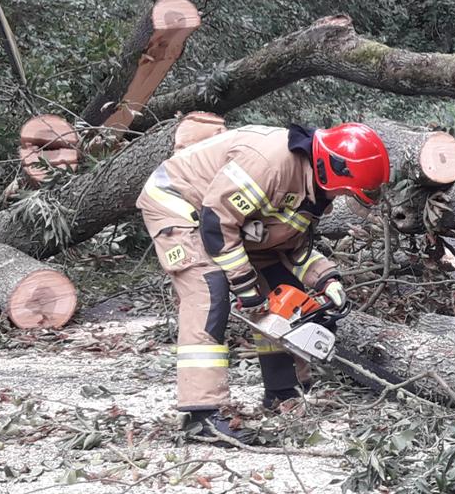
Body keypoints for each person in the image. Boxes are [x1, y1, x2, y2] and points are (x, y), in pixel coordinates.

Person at [136, 121, 390, 444]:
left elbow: (288, 248)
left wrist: (326, 278)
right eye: (345, 191)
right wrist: (243, 284)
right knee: (209, 291)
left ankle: (282, 390)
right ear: (333, 169)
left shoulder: (310, 187)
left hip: (225, 221)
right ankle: (201, 415)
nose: (341, 198)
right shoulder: (271, 163)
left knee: (278, 291)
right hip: (178, 202)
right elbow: (216, 222)